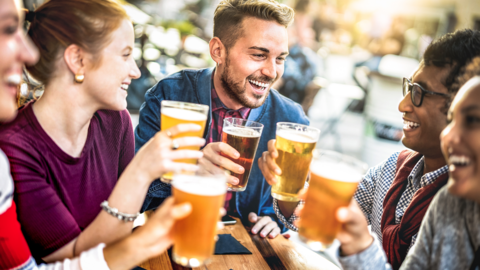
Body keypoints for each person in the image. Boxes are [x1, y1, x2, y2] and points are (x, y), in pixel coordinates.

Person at [0, 0, 205, 262]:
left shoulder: (115, 121)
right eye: (125, 54)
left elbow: (124, 228)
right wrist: (139, 172)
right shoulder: (14, 148)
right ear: (78, 60)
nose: (136, 70)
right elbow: (68, 259)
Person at [259, 29, 480, 267]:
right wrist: (289, 183)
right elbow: (315, 216)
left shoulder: (461, 200)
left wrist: (362, 247)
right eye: (410, 87)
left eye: (419, 93)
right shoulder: (394, 170)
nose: (402, 105)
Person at [135, 0, 309, 238]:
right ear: (218, 51)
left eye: (280, 59)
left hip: (248, 251)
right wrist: (187, 173)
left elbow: (298, 215)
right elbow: (136, 197)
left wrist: (279, 219)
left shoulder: (291, 119)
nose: (272, 72)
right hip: (173, 239)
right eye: (259, 55)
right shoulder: (169, 96)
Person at [331, 56, 480, 269]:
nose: (449, 135)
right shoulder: (448, 204)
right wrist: (290, 195)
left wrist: (362, 249)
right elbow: (335, 212)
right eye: (452, 118)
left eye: (473, 120)